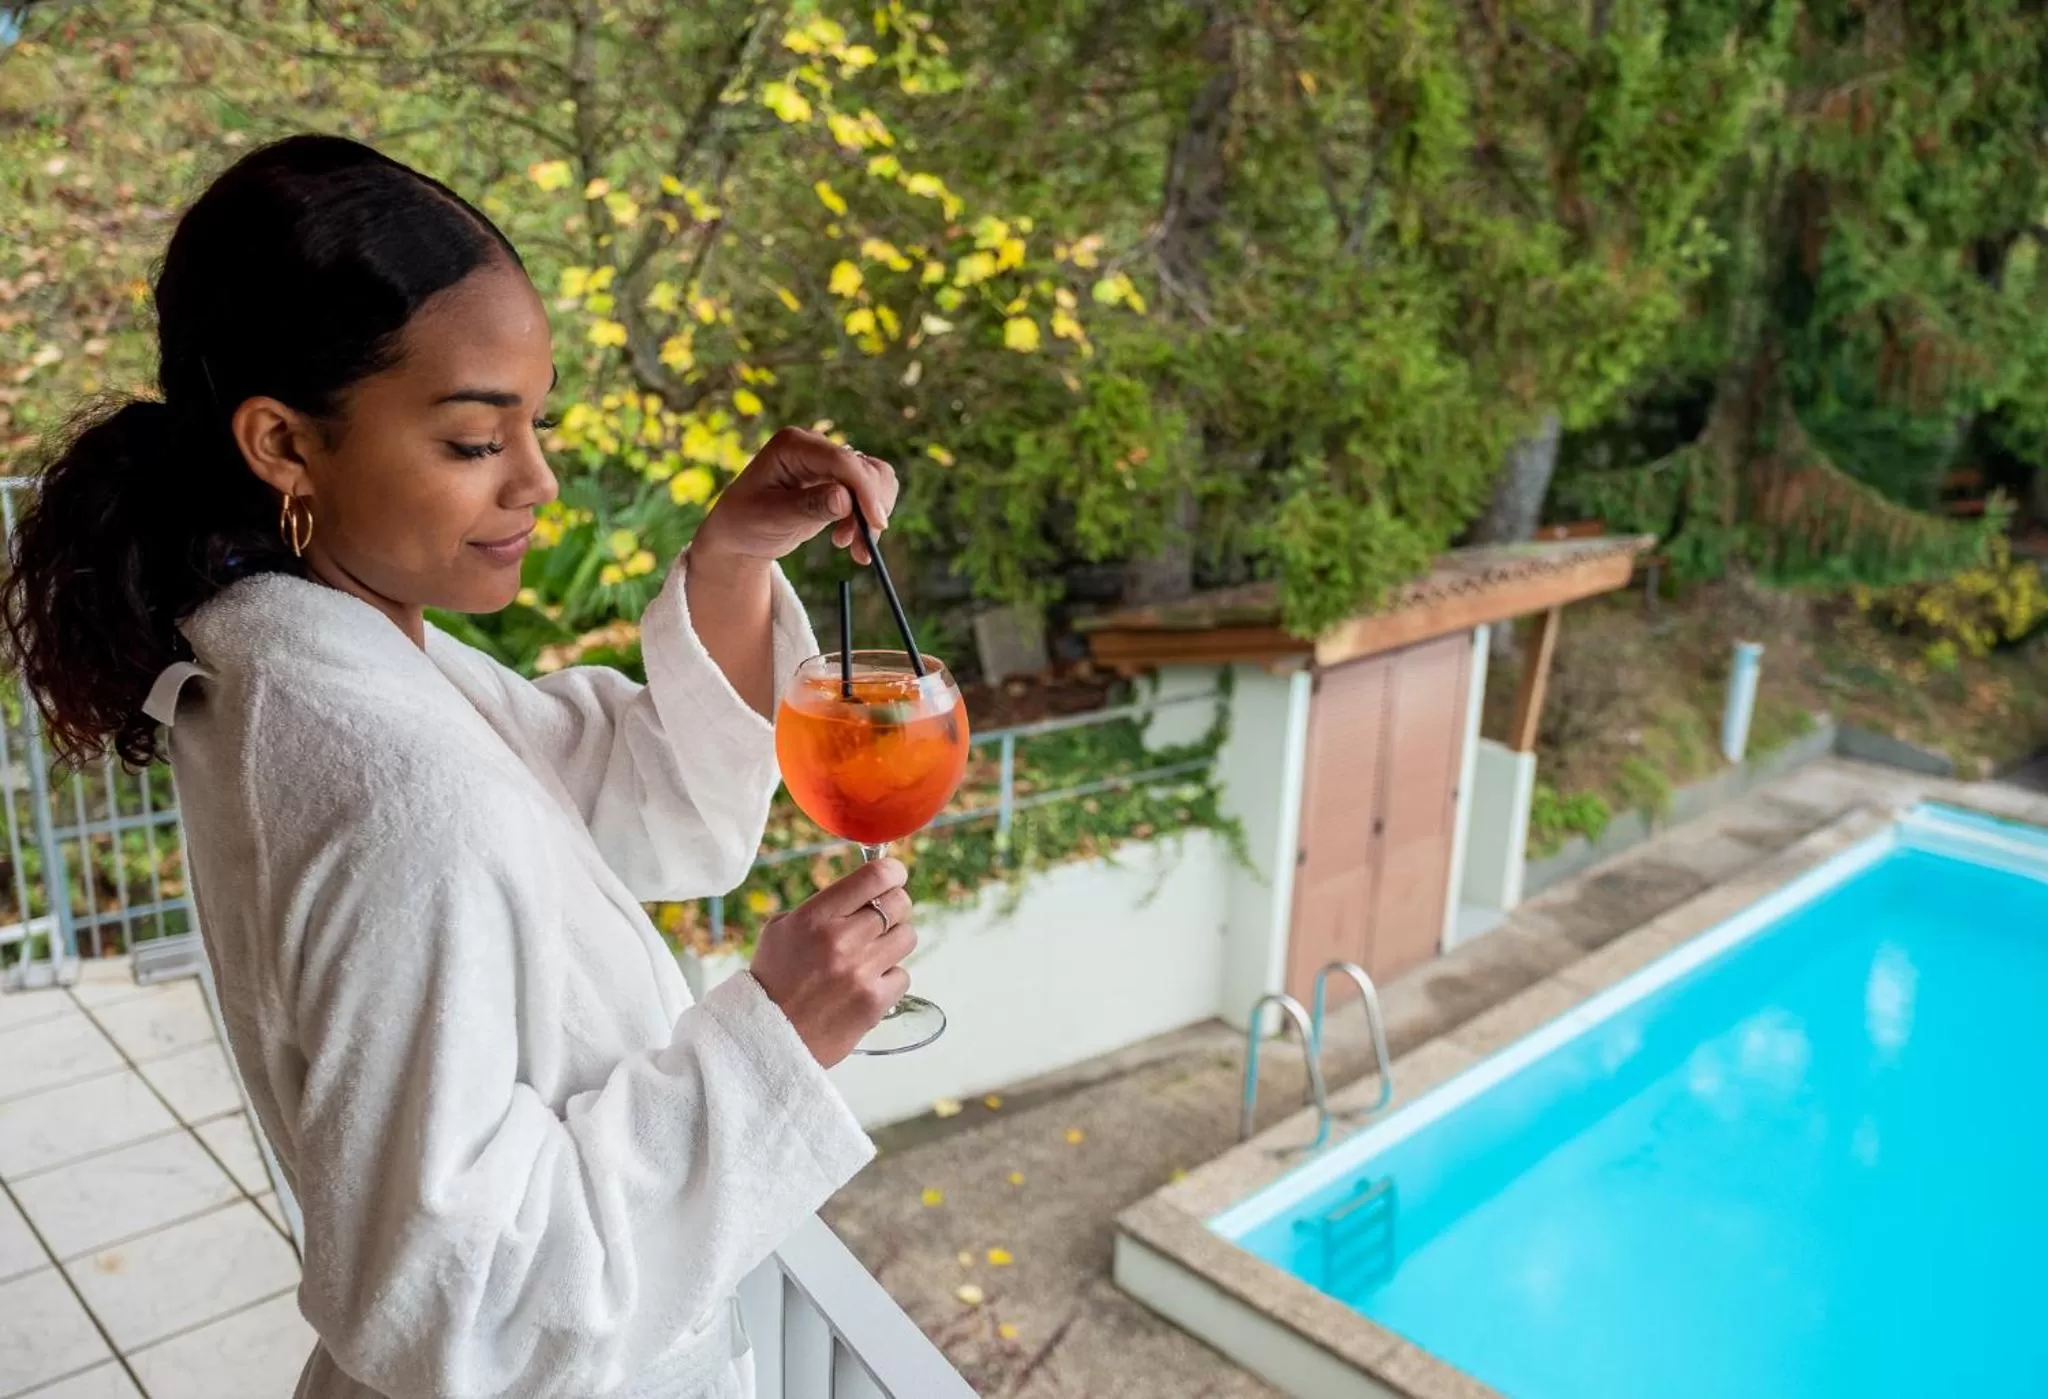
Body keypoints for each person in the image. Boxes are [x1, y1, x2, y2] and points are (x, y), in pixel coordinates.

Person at [0, 133, 916, 1398]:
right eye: (475, 441)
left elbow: (636, 806)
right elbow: (461, 1308)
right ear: (282, 441)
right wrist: (772, 1041)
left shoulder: (325, 659)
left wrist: (728, 565)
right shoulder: (387, 778)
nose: (536, 481)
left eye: (533, 423)